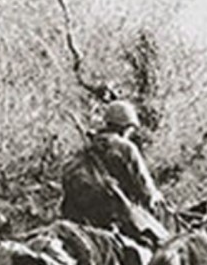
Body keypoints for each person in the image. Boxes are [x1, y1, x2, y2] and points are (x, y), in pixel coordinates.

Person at [60, 100, 169, 244]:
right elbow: (146, 191)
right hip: (114, 218)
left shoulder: (89, 148)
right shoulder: (126, 148)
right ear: (126, 127)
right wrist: (157, 199)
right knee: (160, 243)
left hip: (77, 218)